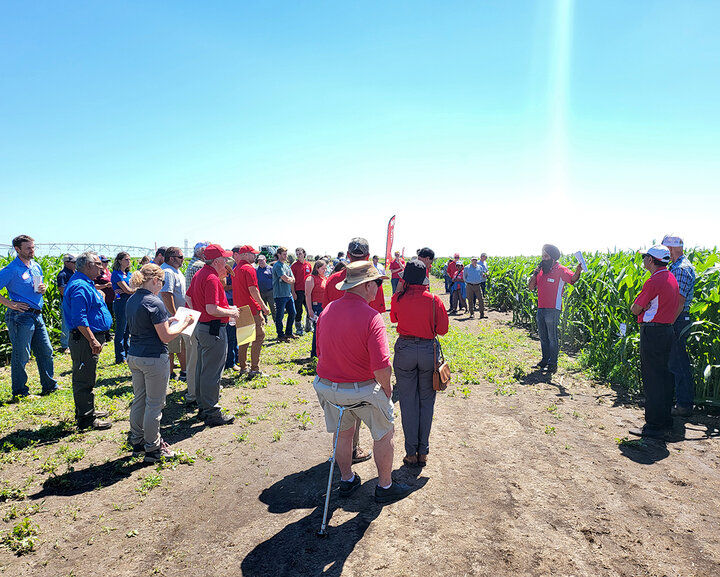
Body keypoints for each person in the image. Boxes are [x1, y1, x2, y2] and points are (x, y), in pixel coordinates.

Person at [314, 261, 412, 503]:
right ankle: (385, 486)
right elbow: (381, 367)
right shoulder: (372, 317)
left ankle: (347, 479)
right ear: (368, 286)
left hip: (329, 388)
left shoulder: (327, 311)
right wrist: (387, 391)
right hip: (361, 389)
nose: (379, 289)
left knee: (343, 433)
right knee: (384, 431)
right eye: (378, 283)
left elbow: (320, 353)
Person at [323, 237, 384, 464]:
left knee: (342, 413)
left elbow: (326, 311)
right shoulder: (372, 279)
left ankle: (345, 451)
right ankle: (353, 449)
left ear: (347, 256)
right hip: (362, 352)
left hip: (333, 350)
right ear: (367, 257)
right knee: (358, 404)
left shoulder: (332, 280)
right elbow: (377, 314)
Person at [126, 264, 194, 462]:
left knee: (139, 399)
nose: (161, 287)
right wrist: (183, 324)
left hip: (135, 355)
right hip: (154, 358)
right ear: (155, 280)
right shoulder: (154, 302)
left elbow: (149, 323)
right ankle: (153, 447)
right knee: (155, 404)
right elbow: (165, 336)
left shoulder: (133, 299)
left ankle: (137, 440)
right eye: (162, 282)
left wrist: (168, 319)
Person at [390, 260, 449, 467]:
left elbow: (393, 319)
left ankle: (410, 452)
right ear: (425, 276)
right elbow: (442, 330)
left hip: (405, 350)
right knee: (426, 402)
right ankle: (423, 451)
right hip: (427, 351)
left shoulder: (398, 298)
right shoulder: (434, 300)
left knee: (408, 403)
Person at [629, 245, 679, 439]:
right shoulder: (671, 278)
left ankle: (653, 425)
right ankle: (666, 420)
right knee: (665, 378)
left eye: (645, 258)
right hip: (667, 330)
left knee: (653, 379)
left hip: (652, 332)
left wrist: (641, 308)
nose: (643, 261)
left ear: (651, 260)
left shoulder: (653, 281)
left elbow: (635, 308)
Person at [185, 243, 239, 426]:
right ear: (217, 261)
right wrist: (231, 312)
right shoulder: (211, 278)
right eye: (224, 259)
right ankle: (211, 411)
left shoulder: (200, 274)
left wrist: (200, 315)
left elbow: (189, 298)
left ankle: (203, 407)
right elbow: (212, 308)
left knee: (203, 369)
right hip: (213, 329)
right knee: (212, 372)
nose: (226, 262)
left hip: (204, 327)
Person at [0, 235, 59, 398]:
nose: (32, 250)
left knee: (46, 351)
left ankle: (49, 386)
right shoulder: (11, 269)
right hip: (20, 317)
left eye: (33, 247)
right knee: (21, 355)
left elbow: (37, 287)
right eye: (28, 248)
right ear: (17, 249)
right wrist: (10, 304)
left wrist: (43, 288)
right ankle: (20, 392)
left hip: (37, 315)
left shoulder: (36, 266)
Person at [63, 251, 113, 429]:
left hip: (86, 337)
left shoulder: (86, 283)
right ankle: (86, 418)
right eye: (98, 263)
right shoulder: (80, 286)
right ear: (87, 265)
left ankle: (87, 410)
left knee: (87, 375)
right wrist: (92, 340)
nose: (102, 267)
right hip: (84, 339)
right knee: (84, 378)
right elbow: (79, 318)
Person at [528, 244, 582, 373]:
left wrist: (578, 271)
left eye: (545, 256)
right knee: (543, 336)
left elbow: (572, 278)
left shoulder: (561, 269)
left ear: (553, 258)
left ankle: (553, 364)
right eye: (542, 256)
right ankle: (545, 360)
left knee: (552, 337)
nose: (543, 259)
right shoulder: (541, 271)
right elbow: (531, 287)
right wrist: (535, 273)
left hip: (553, 309)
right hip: (541, 308)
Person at [662, 234, 697, 417]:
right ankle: (674, 401)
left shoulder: (681, 269)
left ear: (670, 249)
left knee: (678, 363)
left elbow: (680, 301)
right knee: (673, 362)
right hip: (676, 318)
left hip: (677, 318)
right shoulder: (676, 267)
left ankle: (684, 405)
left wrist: (668, 322)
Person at [232, 245, 271, 377]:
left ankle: (243, 367)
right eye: (252, 254)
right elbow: (253, 290)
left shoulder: (236, 269)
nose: (255, 256)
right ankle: (255, 368)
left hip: (240, 308)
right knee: (259, 337)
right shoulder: (249, 269)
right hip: (252, 308)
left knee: (244, 339)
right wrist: (264, 307)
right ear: (246, 255)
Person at [160, 247, 188, 381]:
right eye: (181, 257)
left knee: (181, 345)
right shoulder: (168, 272)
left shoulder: (175, 271)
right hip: (171, 316)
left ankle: (184, 371)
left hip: (178, 314)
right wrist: (174, 314)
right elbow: (166, 294)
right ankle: (170, 373)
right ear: (172, 258)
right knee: (171, 347)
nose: (183, 259)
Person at [111, 252, 135, 363]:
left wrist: (132, 290)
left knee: (127, 330)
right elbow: (128, 290)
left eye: (129, 259)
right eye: (126, 259)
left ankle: (127, 352)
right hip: (121, 302)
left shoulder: (128, 274)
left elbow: (132, 287)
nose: (128, 261)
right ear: (119, 261)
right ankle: (120, 356)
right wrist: (138, 290)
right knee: (121, 329)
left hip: (129, 301)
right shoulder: (116, 274)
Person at [272, 247, 297, 340]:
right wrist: (289, 280)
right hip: (280, 295)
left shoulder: (286, 266)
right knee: (280, 315)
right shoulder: (277, 265)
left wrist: (289, 280)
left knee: (292, 313)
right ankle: (280, 335)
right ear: (279, 255)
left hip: (288, 294)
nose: (286, 256)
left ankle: (289, 332)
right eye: (284, 254)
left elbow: (293, 279)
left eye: (286, 254)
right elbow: (285, 278)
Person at [305, 259, 328, 358]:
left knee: (323, 330)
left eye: (326, 268)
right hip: (316, 306)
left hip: (324, 306)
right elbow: (307, 295)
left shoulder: (324, 278)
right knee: (317, 329)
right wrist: (310, 309)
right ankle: (314, 353)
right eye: (323, 268)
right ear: (317, 268)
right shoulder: (311, 278)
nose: (325, 270)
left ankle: (321, 351)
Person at [56, 253, 76, 353]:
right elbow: (62, 290)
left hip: (74, 302)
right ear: (66, 262)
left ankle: (72, 343)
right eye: (73, 262)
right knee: (66, 323)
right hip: (67, 302)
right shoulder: (62, 274)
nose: (75, 264)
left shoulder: (74, 273)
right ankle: (65, 345)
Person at [291, 247, 313, 335]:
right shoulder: (294, 266)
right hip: (298, 291)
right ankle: (299, 328)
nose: (298, 256)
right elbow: (292, 281)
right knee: (298, 311)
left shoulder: (308, 265)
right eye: (297, 254)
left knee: (309, 309)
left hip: (308, 291)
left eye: (300, 253)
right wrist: (293, 292)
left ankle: (308, 327)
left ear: (304, 254)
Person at [256, 254, 275, 322]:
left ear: (265, 260)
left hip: (270, 291)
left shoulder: (271, 269)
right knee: (262, 307)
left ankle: (276, 321)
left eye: (262, 260)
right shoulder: (256, 270)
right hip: (260, 292)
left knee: (273, 307)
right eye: (259, 261)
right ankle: (264, 321)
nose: (260, 262)